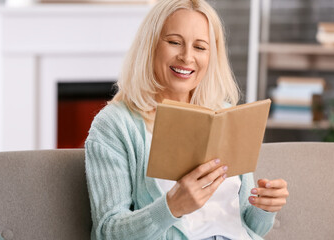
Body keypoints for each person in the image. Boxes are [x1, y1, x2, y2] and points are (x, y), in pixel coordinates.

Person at [85, 0, 289, 239]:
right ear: (150, 45)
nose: (187, 57)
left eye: (200, 47)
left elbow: (248, 226)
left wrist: (264, 207)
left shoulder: (224, 113)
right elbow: (107, 232)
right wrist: (171, 207)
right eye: (174, 42)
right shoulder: (116, 124)